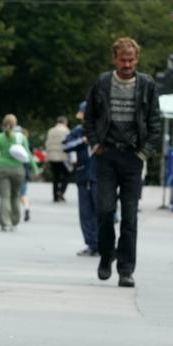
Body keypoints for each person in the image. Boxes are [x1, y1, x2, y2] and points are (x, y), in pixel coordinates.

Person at [84, 37, 160, 288]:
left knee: (129, 217)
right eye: (123, 59)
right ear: (114, 59)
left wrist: (144, 152)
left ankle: (126, 269)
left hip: (133, 157)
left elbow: (154, 122)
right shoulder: (103, 83)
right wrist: (95, 144)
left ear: (136, 59)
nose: (127, 64)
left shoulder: (147, 84)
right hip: (106, 155)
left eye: (131, 59)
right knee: (105, 211)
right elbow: (90, 117)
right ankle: (106, 256)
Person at [0, 114, 39, 231]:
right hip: (18, 170)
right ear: (15, 124)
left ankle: (5, 223)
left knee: (4, 196)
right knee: (16, 196)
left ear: (3, 124)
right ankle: (15, 222)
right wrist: (35, 169)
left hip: (2, 169)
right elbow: (29, 155)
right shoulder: (21, 137)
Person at [63, 101, 98, 257]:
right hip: (83, 174)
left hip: (100, 176)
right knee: (85, 213)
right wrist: (82, 142)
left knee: (101, 211)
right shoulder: (78, 131)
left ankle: (102, 244)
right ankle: (91, 244)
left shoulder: (103, 130)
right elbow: (65, 146)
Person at [45, 116, 71, 202]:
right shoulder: (66, 131)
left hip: (52, 156)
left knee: (55, 177)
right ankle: (61, 192)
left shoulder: (50, 131)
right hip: (62, 156)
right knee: (66, 175)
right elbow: (69, 144)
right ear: (64, 122)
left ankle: (55, 196)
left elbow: (47, 144)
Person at [15, 126, 33, 222]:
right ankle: (26, 208)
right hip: (25, 171)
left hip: (15, 170)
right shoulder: (27, 144)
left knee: (15, 193)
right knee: (24, 193)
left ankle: (15, 212)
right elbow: (30, 158)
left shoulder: (12, 144)